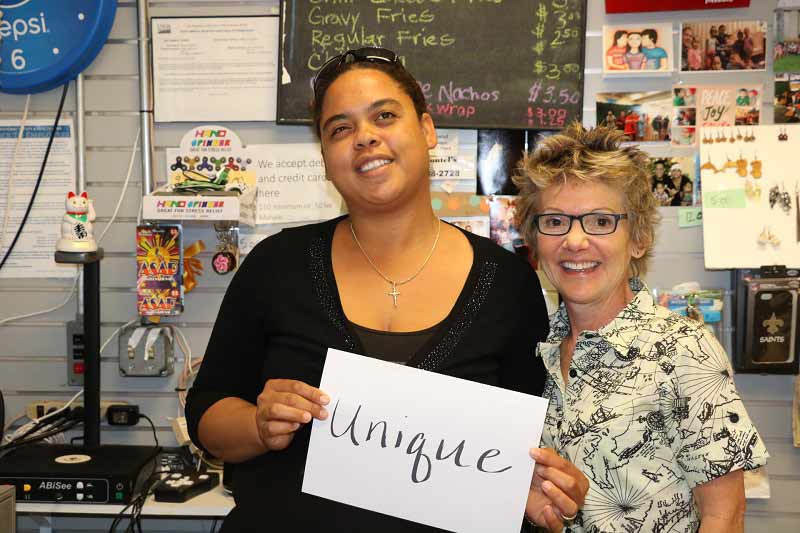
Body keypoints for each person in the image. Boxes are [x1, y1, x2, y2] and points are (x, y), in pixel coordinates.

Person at [185, 47, 588, 533]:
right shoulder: (276, 266)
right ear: (325, 160)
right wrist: (256, 425)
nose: (365, 138)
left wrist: (534, 485)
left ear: (427, 130)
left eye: (384, 115)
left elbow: (523, 445)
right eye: (340, 129)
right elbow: (207, 414)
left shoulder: (508, 284)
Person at [512, 122, 768, 532]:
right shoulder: (533, 352)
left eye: (600, 222)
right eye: (555, 221)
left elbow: (725, 516)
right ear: (535, 241)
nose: (575, 242)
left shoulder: (685, 350)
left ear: (639, 239)